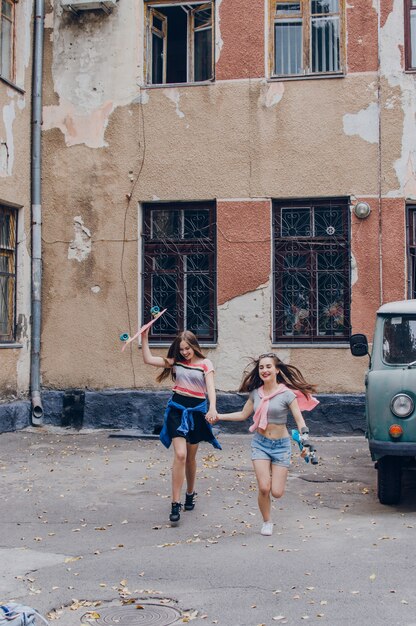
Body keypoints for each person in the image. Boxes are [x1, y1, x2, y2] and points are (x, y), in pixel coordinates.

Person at [209, 353, 318, 537]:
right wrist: (219, 416)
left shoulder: (286, 394)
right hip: (260, 444)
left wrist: (305, 440)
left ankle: (272, 502)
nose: (264, 370)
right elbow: (243, 415)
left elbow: (299, 420)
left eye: (268, 367)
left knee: (276, 492)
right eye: (261, 367)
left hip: (281, 445)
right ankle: (267, 521)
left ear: (277, 370)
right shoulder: (256, 393)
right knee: (264, 487)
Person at [141, 328, 221, 525]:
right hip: (177, 410)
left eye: (187, 348)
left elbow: (210, 388)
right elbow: (148, 359)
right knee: (181, 454)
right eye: (181, 349)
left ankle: (190, 492)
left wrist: (213, 408)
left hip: (197, 412)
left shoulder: (205, 364)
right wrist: (144, 337)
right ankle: (175, 503)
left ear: (194, 346)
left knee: (191, 458)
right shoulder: (174, 362)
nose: (184, 352)